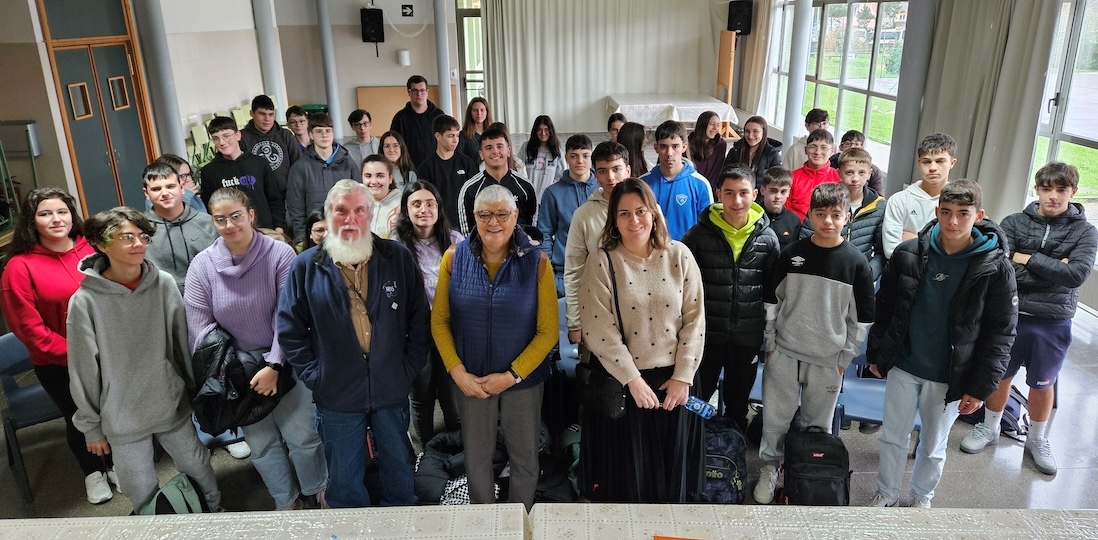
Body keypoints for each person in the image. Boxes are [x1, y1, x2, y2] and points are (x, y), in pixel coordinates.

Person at [277, 179, 430, 508]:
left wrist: (407, 369)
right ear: (329, 215)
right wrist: (316, 375)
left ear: (370, 214)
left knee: (399, 470)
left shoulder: (397, 258)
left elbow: (420, 319)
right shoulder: (306, 267)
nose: (350, 219)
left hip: (391, 386)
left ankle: (401, 525)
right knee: (344, 479)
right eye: (341, 210)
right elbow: (289, 329)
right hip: (336, 393)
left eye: (359, 210)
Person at [866, 180, 1017, 509]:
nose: (953, 222)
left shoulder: (994, 267)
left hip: (949, 374)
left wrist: (981, 386)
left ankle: (922, 497)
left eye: (963, 214)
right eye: (946, 213)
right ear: (936, 212)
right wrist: (876, 355)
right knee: (892, 436)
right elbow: (885, 307)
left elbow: (1001, 332)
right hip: (905, 364)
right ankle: (887, 492)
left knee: (934, 444)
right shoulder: (908, 253)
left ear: (978, 216)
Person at [67, 207, 221, 512]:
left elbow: (181, 342)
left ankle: (215, 513)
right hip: (122, 413)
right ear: (101, 244)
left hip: (168, 400)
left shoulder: (162, 283)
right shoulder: (84, 301)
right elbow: (83, 369)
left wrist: (195, 393)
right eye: (127, 237)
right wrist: (91, 427)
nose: (138, 243)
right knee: (137, 484)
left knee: (197, 464)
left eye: (143, 236)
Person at [185, 187, 328, 511]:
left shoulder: (279, 255)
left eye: (236, 216)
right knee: (261, 444)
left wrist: (274, 365)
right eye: (220, 219)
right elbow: (200, 330)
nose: (229, 224)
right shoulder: (202, 266)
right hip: (239, 372)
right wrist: (241, 369)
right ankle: (286, 501)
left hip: (287, 360)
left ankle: (318, 490)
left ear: (250, 215)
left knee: (302, 437)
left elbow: (288, 314)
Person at [959, 163, 1097, 475]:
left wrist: (1028, 258)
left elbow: (1075, 275)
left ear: (1073, 192)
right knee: (1000, 374)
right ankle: (990, 428)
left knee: (1042, 382)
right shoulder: (1014, 222)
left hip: (1053, 320)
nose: (1053, 196)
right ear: (1037, 189)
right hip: (1009, 314)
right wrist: (1052, 268)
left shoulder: (1086, 232)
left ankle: (1037, 439)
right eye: (1047, 189)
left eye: (1061, 190)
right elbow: (1000, 266)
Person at [578, 178, 706, 503]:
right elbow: (598, 329)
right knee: (630, 481)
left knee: (675, 476)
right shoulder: (602, 261)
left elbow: (695, 320)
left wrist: (683, 377)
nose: (634, 221)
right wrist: (632, 381)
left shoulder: (680, 255)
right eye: (623, 214)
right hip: (626, 384)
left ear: (653, 213)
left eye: (640, 211)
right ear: (613, 219)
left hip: (676, 383)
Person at [432, 184, 557, 510]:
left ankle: (519, 524)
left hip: (522, 383)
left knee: (524, 458)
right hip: (471, 380)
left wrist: (512, 375)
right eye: (485, 215)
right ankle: (484, 525)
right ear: (474, 217)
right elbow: (440, 321)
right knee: (476, 458)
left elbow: (547, 333)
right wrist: (457, 371)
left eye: (502, 214)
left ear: (515, 216)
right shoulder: (453, 259)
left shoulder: (537, 263)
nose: (493, 222)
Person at [754, 182, 875, 505]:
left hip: (827, 360)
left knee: (815, 426)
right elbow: (771, 303)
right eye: (821, 214)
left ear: (847, 217)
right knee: (775, 419)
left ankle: (805, 474)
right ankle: (770, 468)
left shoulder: (855, 263)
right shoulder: (792, 254)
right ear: (809, 215)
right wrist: (771, 344)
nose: (828, 221)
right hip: (784, 353)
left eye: (836, 215)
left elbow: (861, 320)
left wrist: (844, 357)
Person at [0, 188, 118, 504]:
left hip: (109, 352)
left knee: (114, 410)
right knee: (80, 417)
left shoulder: (92, 248)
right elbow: (30, 330)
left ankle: (118, 463)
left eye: (62, 211)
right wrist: (80, 354)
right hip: (58, 363)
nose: (56, 219)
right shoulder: (19, 267)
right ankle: (93, 471)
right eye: (45, 213)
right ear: (31, 220)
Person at [681, 166, 780, 430]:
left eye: (744, 193)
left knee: (738, 401)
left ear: (755, 194)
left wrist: (768, 335)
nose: (737, 201)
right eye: (729, 193)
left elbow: (773, 293)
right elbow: (683, 286)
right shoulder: (698, 235)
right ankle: (697, 448)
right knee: (697, 398)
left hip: (747, 335)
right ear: (718, 194)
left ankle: (733, 448)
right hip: (706, 335)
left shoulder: (767, 239)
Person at [393, 180, 464, 448]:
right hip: (415, 332)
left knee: (453, 397)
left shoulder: (456, 241)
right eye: (416, 204)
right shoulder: (395, 246)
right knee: (421, 397)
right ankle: (424, 455)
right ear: (406, 210)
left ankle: (458, 456)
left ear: (438, 207)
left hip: (451, 330)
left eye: (430, 203)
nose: (424, 209)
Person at [563, 141, 631, 350]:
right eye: (603, 171)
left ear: (627, 170)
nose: (610, 177)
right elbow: (574, 270)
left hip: (638, 311)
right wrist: (575, 322)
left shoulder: (647, 208)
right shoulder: (583, 215)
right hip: (598, 311)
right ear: (596, 174)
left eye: (616, 169)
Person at [800, 147, 888, 281]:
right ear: (839, 173)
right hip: (822, 273)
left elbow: (880, 251)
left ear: (869, 173)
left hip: (858, 274)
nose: (855, 178)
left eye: (861, 173)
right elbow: (804, 239)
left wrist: (868, 274)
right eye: (849, 172)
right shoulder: (823, 198)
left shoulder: (879, 205)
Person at [142, 162, 218, 294]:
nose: (165, 193)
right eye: (156, 189)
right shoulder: (139, 231)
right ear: (147, 194)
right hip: (162, 305)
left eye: (170, 186)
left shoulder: (209, 224)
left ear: (182, 187)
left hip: (210, 299)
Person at [201, 116, 286, 232]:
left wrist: (279, 227)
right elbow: (209, 208)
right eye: (216, 138)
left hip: (265, 229)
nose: (221, 142)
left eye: (226, 136)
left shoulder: (259, 163)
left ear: (238, 135)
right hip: (233, 232)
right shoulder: (209, 172)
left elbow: (275, 198)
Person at [538, 134, 598, 296]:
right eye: (574, 156)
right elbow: (544, 232)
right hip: (564, 275)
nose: (580, 161)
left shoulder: (603, 190)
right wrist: (549, 270)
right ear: (566, 158)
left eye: (585, 156)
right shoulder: (552, 193)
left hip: (601, 273)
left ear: (592, 157)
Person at [285, 112, 360, 241]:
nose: (324, 135)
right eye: (319, 131)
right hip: (315, 236)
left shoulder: (348, 164)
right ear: (311, 135)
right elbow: (295, 208)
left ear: (333, 134)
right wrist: (302, 239)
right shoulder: (300, 168)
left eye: (328, 131)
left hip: (345, 232)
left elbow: (358, 200)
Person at [881, 133, 957, 258]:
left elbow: (958, 252)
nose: (933, 168)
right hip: (904, 273)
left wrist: (913, 240)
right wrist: (939, 247)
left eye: (940, 161)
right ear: (919, 163)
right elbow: (892, 251)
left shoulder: (961, 202)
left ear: (952, 163)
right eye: (926, 161)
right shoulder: (899, 200)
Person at [640, 120, 713, 241]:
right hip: (652, 252)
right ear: (656, 148)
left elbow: (709, 228)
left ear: (684, 147)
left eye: (675, 146)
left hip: (688, 253)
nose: (669, 153)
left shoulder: (700, 184)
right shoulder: (643, 183)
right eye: (663, 147)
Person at [457, 126, 538, 235]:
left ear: (508, 151)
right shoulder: (470, 189)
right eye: (489, 148)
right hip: (482, 251)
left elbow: (532, 227)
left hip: (519, 250)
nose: (495, 151)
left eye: (500, 146)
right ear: (481, 154)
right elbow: (466, 233)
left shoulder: (525, 187)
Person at [417, 115, 477, 229]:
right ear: (438, 136)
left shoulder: (466, 163)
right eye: (450, 136)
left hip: (465, 223)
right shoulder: (426, 167)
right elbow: (425, 199)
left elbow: (474, 194)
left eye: (457, 136)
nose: (455, 140)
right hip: (439, 224)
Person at [240, 95, 303, 199]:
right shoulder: (242, 138)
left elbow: (299, 166)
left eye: (271, 114)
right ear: (252, 114)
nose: (267, 119)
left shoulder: (286, 135)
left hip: (286, 195)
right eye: (262, 114)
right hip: (257, 196)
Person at [786, 128, 839, 221]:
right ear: (805, 150)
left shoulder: (838, 178)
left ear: (832, 151)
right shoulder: (792, 177)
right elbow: (785, 210)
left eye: (824, 148)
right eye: (813, 147)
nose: (817, 152)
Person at [390, 75, 444, 165]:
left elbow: (446, 141)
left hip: (436, 167)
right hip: (410, 168)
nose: (419, 94)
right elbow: (394, 146)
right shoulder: (400, 118)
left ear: (427, 92)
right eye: (415, 91)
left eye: (422, 90)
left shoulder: (439, 115)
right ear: (409, 92)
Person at [726, 115, 782, 190]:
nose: (750, 136)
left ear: (763, 133)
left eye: (755, 131)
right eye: (747, 131)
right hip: (737, 195)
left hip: (761, 199)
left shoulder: (773, 155)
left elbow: (776, 183)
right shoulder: (735, 151)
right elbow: (725, 175)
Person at [521, 115, 566, 199]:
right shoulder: (526, 147)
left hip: (548, 198)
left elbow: (561, 176)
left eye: (546, 130)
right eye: (539, 130)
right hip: (528, 196)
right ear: (535, 131)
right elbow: (518, 169)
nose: (543, 133)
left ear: (551, 131)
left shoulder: (557, 152)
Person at [829, 130, 884, 194]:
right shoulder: (831, 164)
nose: (852, 147)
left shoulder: (874, 171)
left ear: (862, 148)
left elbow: (878, 195)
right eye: (848, 143)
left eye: (857, 144)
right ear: (841, 147)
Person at [759, 167, 801, 250]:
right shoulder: (752, 216)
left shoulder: (793, 220)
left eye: (783, 192)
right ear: (763, 190)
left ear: (788, 192)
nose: (778, 196)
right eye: (773, 191)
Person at [686, 111, 728, 191]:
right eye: (712, 124)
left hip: (708, 189)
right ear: (703, 125)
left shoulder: (720, 145)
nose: (715, 128)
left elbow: (716, 172)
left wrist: (706, 190)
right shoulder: (688, 142)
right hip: (690, 187)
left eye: (718, 125)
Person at [362, 155, 401, 239]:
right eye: (368, 176)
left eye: (380, 176)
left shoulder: (403, 204)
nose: (373, 181)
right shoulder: (355, 203)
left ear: (390, 178)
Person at [458, 97, 493, 164]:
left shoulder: (494, 133)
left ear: (487, 112)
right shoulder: (463, 135)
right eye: (475, 110)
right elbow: (460, 159)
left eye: (482, 110)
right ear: (470, 112)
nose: (479, 114)